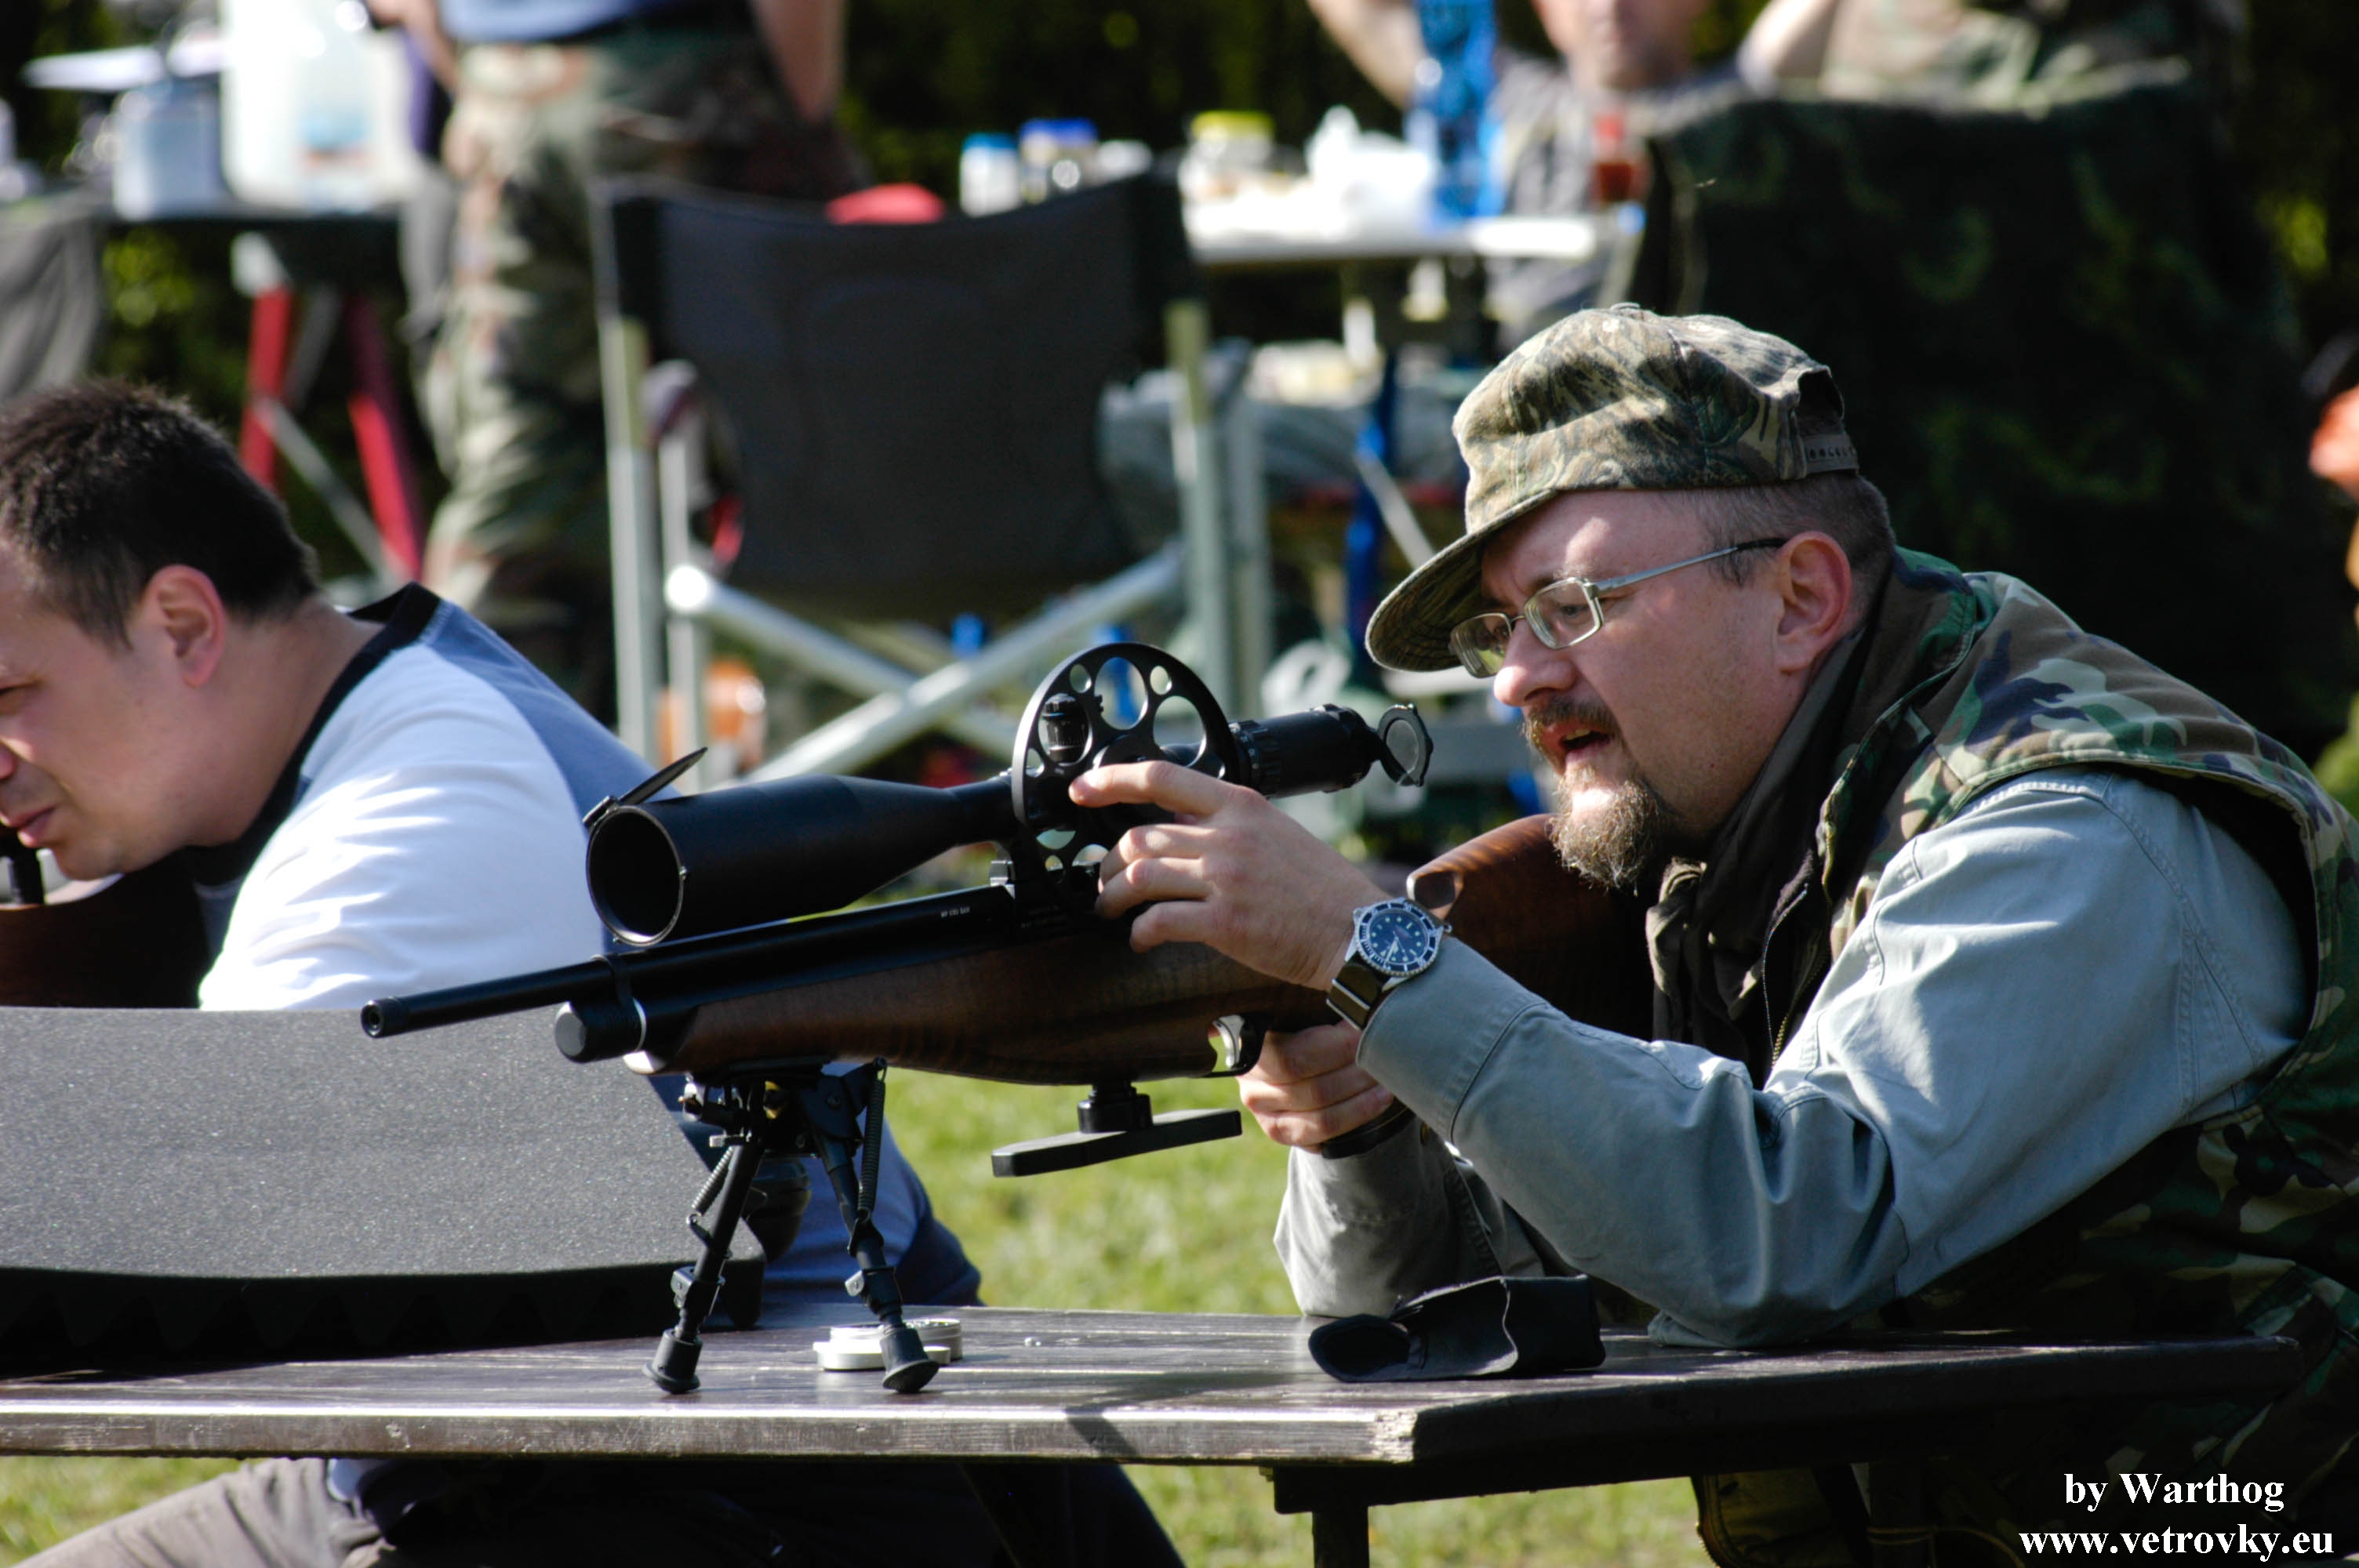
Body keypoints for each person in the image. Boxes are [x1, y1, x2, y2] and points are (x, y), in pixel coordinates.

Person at [1067, 305, 2359, 1559]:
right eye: (1498, 627)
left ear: (1799, 599)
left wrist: (1376, 953)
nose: (1517, 677)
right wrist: (1360, 1125)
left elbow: (1787, 1232)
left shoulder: (2066, 831)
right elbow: (1440, 1310)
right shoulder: (1714, 845)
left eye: (1574, 604)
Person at [0, 383, 1174, 1567]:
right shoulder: (366, 695)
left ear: (185, 626)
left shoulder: (403, 822)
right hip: (486, 1447)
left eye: (11, 697)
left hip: (752, 1473)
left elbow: (149, 1227)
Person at [397, 0, 863, 710]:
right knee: (793, 461)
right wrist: (801, 130)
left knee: (527, 466)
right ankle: (839, 755)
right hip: (680, 88)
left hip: (500, 96)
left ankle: (471, 744)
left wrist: (495, 88)